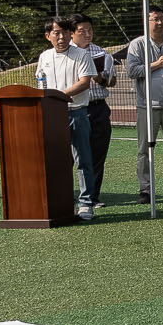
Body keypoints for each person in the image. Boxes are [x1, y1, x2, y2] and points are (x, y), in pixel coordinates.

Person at [121, 5, 163, 204]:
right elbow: (132, 71)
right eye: (155, 19)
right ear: (146, 21)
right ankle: (145, 190)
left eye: (162, 18)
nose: (159, 23)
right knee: (144, 150)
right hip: (147, 106)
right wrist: (157, 64)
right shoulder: (137, 45)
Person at [35, 17, 98, 218]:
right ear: (48, 36)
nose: (61, 37)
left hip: (77, 113)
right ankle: (59, 201)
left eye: (64, 32)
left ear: (70, 34)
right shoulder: (44, 56)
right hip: (52, 115)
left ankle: (86, 203)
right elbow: (40, 83)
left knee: (83, 160)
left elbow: (84, 82)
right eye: (56, 33)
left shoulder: (81, 54)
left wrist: (59, 96)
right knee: (55, 160)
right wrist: (49, 100)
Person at [71, 17, 116, 208]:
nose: (87, 34)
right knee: (71, 157)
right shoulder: (66, 53)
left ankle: (92, 197)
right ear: (71, 33)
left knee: (97, 155)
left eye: (90, 30)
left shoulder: (101, 53)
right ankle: (65, 196)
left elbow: (112, 81)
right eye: (82, 31)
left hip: (98, 107)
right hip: (73, 108)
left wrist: (101, 78)